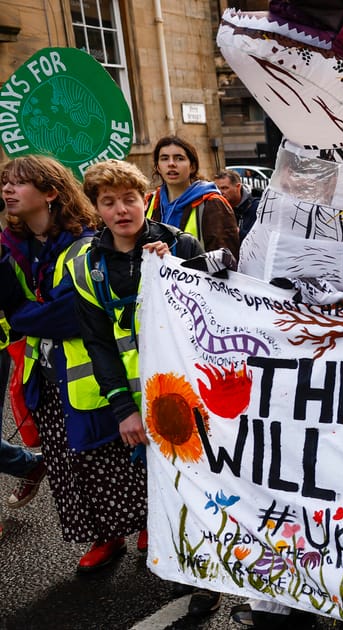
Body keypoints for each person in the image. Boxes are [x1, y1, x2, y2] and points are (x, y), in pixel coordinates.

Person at [71, 159, 220, 614]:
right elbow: (98, 343)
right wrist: (123, 409)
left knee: (198, 486)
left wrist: (175, 267)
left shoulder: (180, 243)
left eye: (129, 199)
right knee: (162, 489)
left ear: (145, 198)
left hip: (189, 395)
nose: (122, 210)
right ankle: (180, 571)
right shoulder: (88, 265)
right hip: (138, 401)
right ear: (97, 209)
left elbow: (215, 310)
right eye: (109, 202)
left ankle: (206, 582)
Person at [0, 155, 141, 571]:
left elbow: (69, 315)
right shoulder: (17, 247)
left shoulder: (83, 244)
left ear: (50, 193)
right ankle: (106, 537)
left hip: (92, 372)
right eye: (5, 182)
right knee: (68, 465)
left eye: (19, 183)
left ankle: (147, 526)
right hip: (46, 373)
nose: (7, 190)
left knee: (113, 458)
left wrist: (21, 317)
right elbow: (12, 303)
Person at [146, 136, 240, 260]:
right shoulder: (150, 201)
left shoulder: (212, 203)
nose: (171, 164)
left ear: (192, 167)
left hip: (195, 278)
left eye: (179, 158)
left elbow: (226, 260)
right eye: (164, 158)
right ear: (158, 167)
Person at [213, 169, 259, 242]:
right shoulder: (216, 209)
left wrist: (235, 230)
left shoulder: (256, 208)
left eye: (224, 188)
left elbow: (258, 241)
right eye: (217, 189)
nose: (220, 192)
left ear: (238, 187)